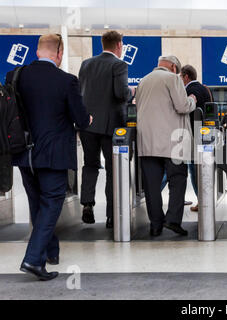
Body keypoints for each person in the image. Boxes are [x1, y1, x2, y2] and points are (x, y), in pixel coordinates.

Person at [6, 34, 91, 280]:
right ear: (59, 53)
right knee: (51, 203)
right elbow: (81, 119)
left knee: (37, 204)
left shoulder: (16, 76)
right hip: (52, 155)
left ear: (37, 51)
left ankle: (50, 251)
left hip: (24, 153)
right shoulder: (66, 81)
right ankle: (33, 259)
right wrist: (88, 119)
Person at [136, 55, 196, 237]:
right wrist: (192, 99)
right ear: (173, 67)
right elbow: (182, 106)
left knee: (152, 186)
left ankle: (155, 225)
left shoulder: (143, 81)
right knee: (177, 180)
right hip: (173, 142)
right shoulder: (173, 79)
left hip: (147, 142)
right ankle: (173, 220)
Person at [78, 30, 133, 229]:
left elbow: (81, 92)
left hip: (87, 125)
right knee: (113, 170)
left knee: (90, 164)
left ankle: (87, 204)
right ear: (119, 45)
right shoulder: (119, 64)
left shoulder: (86, 64)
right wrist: (131, 92)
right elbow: (120, 93)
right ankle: (111, 215)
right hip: (111, 127)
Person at [180, 64, 213, 212]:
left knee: (193, 169)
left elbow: (184, 109)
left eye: (181, 77)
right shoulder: (205, 89)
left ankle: (202, 201)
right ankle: (205, 199)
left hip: (192, 135)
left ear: (186, 76)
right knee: (201, 168)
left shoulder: (190, 91)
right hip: (205, 135)